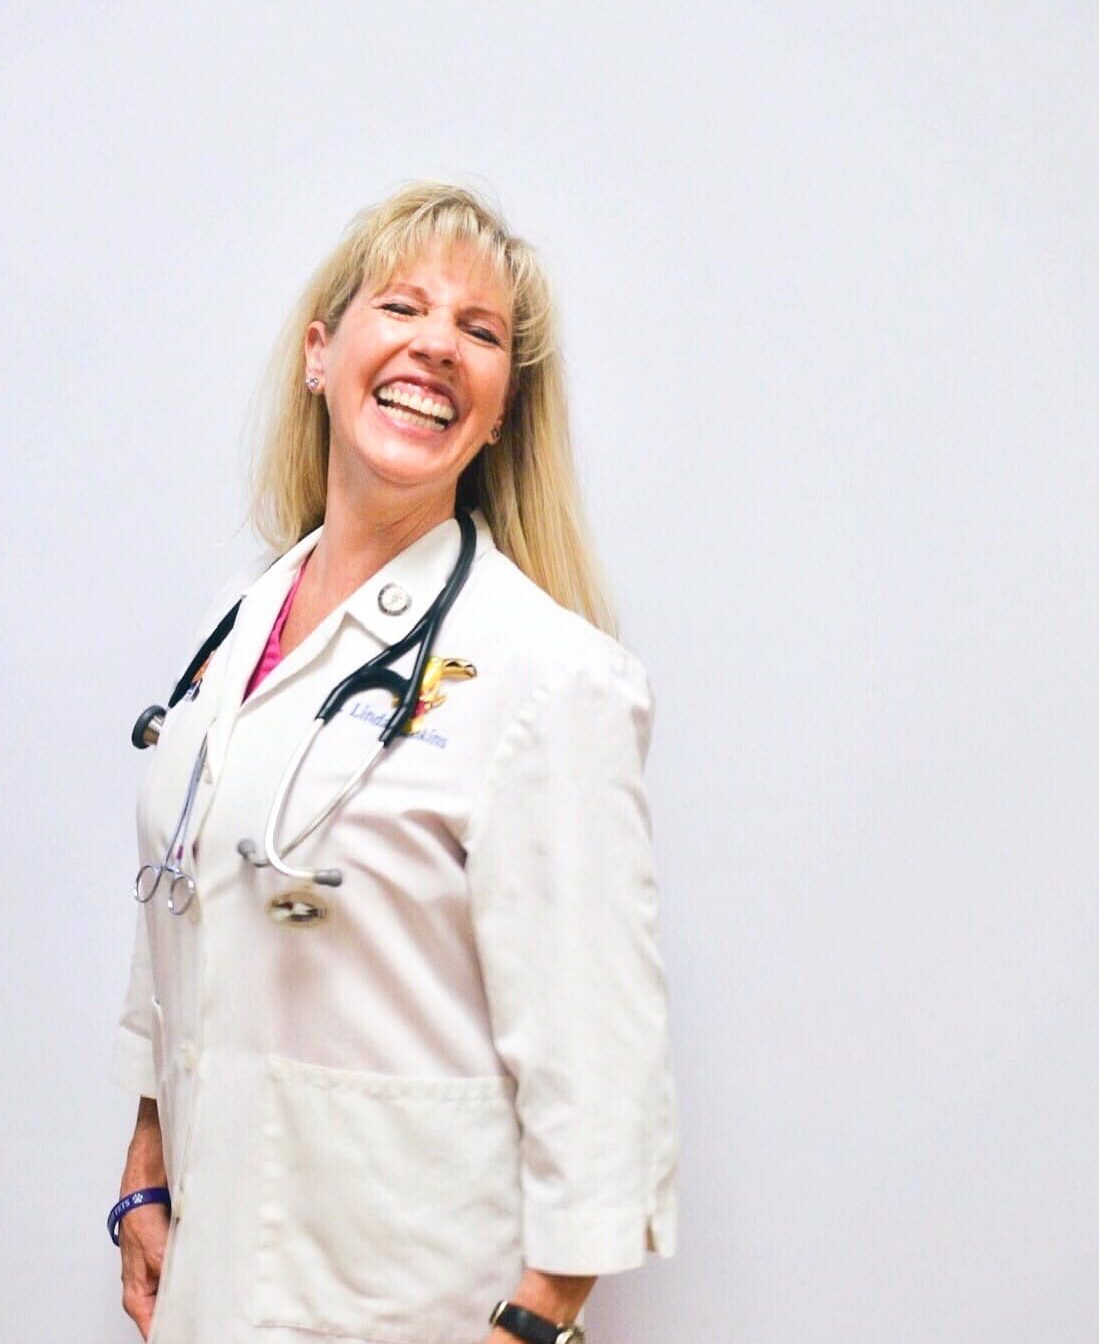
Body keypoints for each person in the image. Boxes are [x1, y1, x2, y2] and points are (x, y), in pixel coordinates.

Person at [110, 180, 678, 1344]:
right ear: (321, 354)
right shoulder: (240, 626)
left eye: (478, 333)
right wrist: (148, 1158)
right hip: (221, 1271)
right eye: (403, 308)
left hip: (415, 1306)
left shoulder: (545, 673)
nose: (435, 347)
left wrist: (536, 1325)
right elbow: (188, 899)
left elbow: (604, 1064)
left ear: (501, 409)